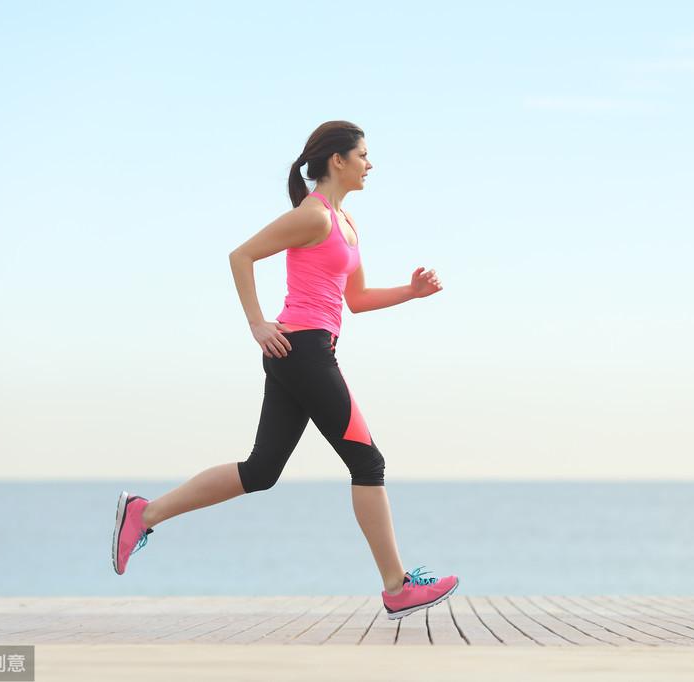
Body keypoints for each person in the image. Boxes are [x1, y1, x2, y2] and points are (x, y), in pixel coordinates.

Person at [110, 120, 459, 620]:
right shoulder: (312, 216)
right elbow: (242, 255)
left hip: (304, 351)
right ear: (337, 160)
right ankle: (396, 587)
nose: (370, 164)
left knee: (261, 471)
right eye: (363, 155)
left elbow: (356, 299)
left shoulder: (345, 222)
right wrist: (257, 323)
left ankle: (144, 513)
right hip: (303, 351)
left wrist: (411, 292)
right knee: (368, 463)